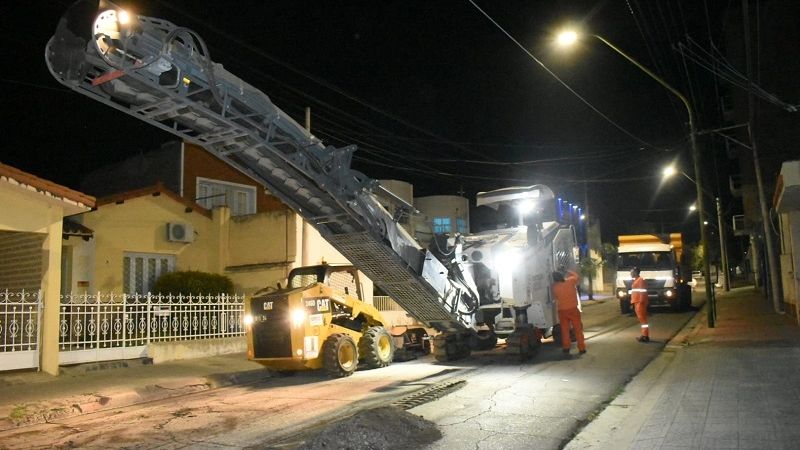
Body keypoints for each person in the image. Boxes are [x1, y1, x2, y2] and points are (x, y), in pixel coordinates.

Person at [552, 269, 586, 355]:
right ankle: (581, 348)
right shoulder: (570, 281)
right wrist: (567, 270)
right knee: (578, 330)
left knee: (565, 330)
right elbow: (576, 276)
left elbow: (555, 297)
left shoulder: (555, 287)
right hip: (573, 310)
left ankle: (566, 348)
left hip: (562, 311)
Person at [629, 267, 649, 342]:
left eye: (631, 272)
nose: (630, 274)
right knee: (641, 319)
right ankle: (644, 335)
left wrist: (641, 302)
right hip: (637, 302)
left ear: (636, 273)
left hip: (640, 302)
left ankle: (645, 336)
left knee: (643, 319)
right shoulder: (637, 280)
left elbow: (642, 292)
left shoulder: (640, 280)